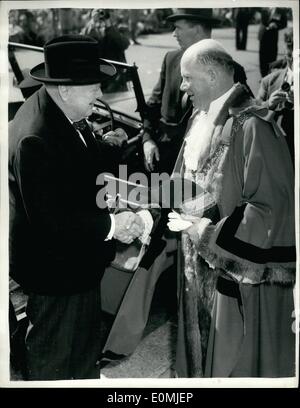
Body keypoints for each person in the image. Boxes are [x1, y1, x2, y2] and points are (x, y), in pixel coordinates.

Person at [8, 35, 147, 380]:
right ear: (66, 89)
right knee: (53, 359)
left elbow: (75, 153)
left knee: (82, 351)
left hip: (76, 264)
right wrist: (116, 226)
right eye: (94, 89)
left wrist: (109, 149)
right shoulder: (35, 138)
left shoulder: (55, 109)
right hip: (56, 273)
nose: (100, 95)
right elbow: (53, 222)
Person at [168, 39, 295, 377]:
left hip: (234, 282)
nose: (182, 86)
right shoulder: (201, 116)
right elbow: (187, 181)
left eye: (187, 78)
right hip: (196, 271)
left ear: (211, 75)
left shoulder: (254, 125)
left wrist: (205, 232)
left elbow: (270, 211)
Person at [142, 9, 220, 175]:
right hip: (163, 152)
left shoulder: (226, 70)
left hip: (201, 162)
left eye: (178, 28)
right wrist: (147, 139)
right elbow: (154, 104)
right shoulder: (171, 59)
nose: (173, 34)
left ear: (197, 29)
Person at [257, 28, 294, 162]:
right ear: (285, 49)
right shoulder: (270, 80)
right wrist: (269, 105)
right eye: (291, 48)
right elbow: (250, 115)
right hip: (275, 156)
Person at [258, 7, 287, 77]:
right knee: (262, 58)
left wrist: (276, 25)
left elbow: (284, 24)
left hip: (273, 37)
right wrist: (268, 24)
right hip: (263, 34)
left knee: (272, 57)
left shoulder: (280, 10)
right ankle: (263, 77)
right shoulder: (264, 8)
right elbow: (263, 20)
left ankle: (269, 77)